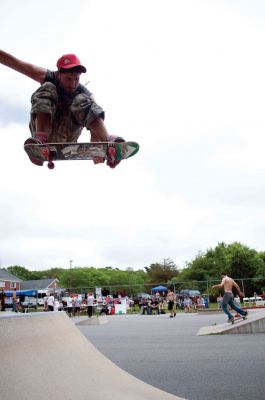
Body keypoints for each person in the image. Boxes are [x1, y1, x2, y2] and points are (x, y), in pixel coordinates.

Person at [0, 49, 125, 168]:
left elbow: (94, 114)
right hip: (45, 132)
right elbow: (15, 63)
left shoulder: (84, 93)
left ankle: (108, 141)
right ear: (59, 74)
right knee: (48, 87)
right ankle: (40, 139)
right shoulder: (48, 76)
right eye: (68, 79)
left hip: (68, 136)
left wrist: (98, 148)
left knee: (83, 99)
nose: (73, 84)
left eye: (76, 79)